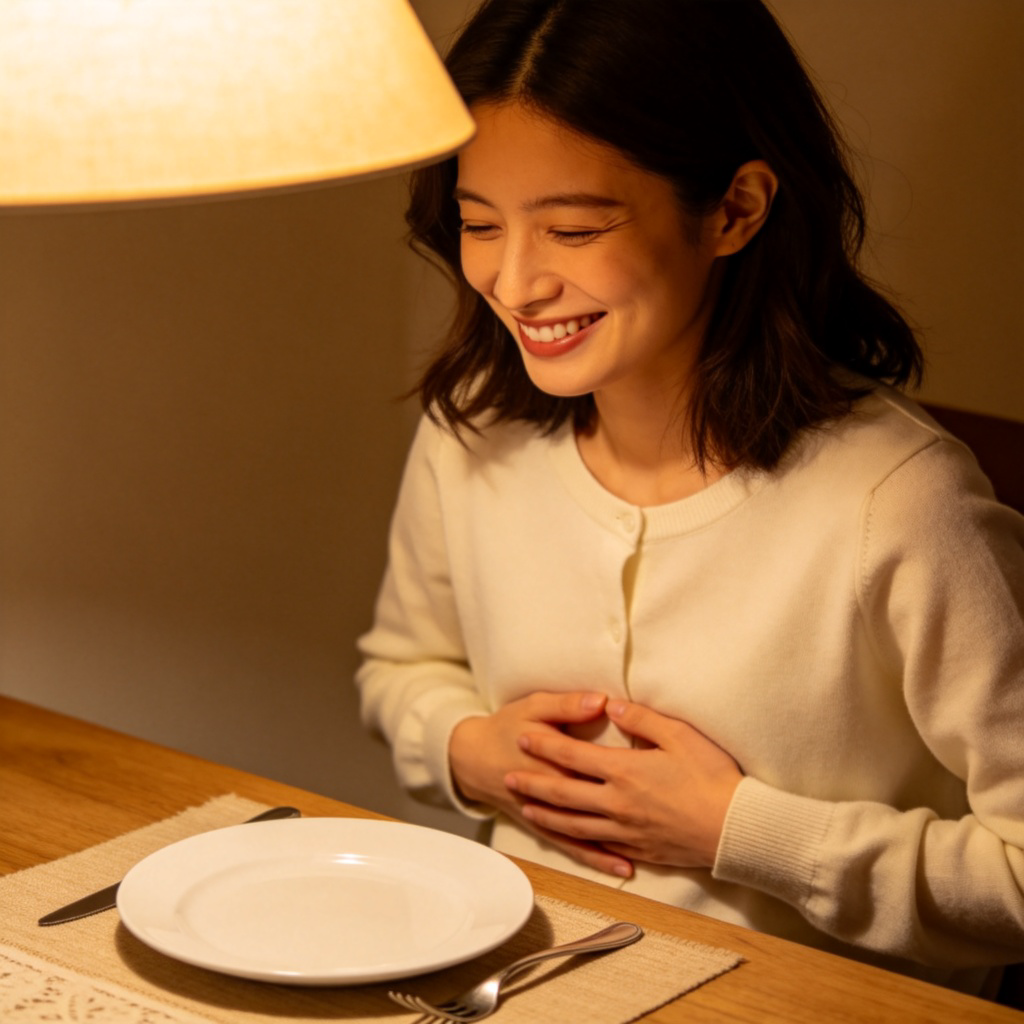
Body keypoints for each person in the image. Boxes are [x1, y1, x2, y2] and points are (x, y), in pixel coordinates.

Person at [356, 0, 1024, 995]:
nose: (514, 280)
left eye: (573, 228)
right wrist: (469, 751)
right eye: (478, 222)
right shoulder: (472, 433)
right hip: (503, 982)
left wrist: (743, 832)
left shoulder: (900, 503)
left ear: (734, 210)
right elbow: (398, 667)